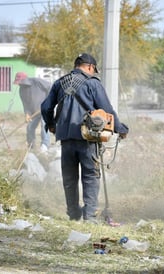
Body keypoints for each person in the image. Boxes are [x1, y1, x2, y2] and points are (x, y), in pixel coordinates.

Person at [41, 53, 128, 222]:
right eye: (93, 70)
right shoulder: (92, 84)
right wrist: (121, 129)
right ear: (89, 67)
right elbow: (107, 110)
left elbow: (45, 107)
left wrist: (51, 124)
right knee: (90, 176)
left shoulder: (60, 83)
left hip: (65, 138)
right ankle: (89, 217)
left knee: (69, 178)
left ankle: (73, 214)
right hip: (88, 137)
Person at [14, 72, 51, 152]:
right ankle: (31, 146)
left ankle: (45, 145)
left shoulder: (36, 81)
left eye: (20, 82)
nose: (19, 84)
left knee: (44, 126)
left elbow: (51, 87)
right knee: (30, 127)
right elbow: (25, 104)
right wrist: (27, 114)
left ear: (25, 80)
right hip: (34, 112)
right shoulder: (21, 91)